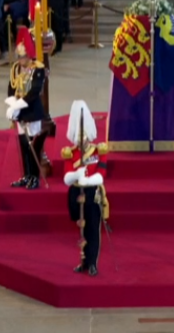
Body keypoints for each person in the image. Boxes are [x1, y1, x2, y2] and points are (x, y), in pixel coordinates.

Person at [61, 101, 109, 276]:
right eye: (78, 137)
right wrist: (76, 175)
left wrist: (87, 180)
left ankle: (92, 263)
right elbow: (66, 177)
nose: (81, 141)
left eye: (84, 136)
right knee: (81, 229)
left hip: (91, 193)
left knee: (92, 231)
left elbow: (101, 174)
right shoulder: (70, 153)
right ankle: (83, 261)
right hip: (76, 192)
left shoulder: (98, 152)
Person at [5, 26, 47, 189]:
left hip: (32, 111)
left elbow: (34, 91)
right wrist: (12, 105)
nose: (20, 60)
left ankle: (35, 177)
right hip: (20, 112)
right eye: (19, 56)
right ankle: (27, 175)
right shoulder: (15, 68)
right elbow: (11, 88)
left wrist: (17, 105)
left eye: (22, 56)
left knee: (33, 146)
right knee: (23, 144)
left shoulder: (38, 68)